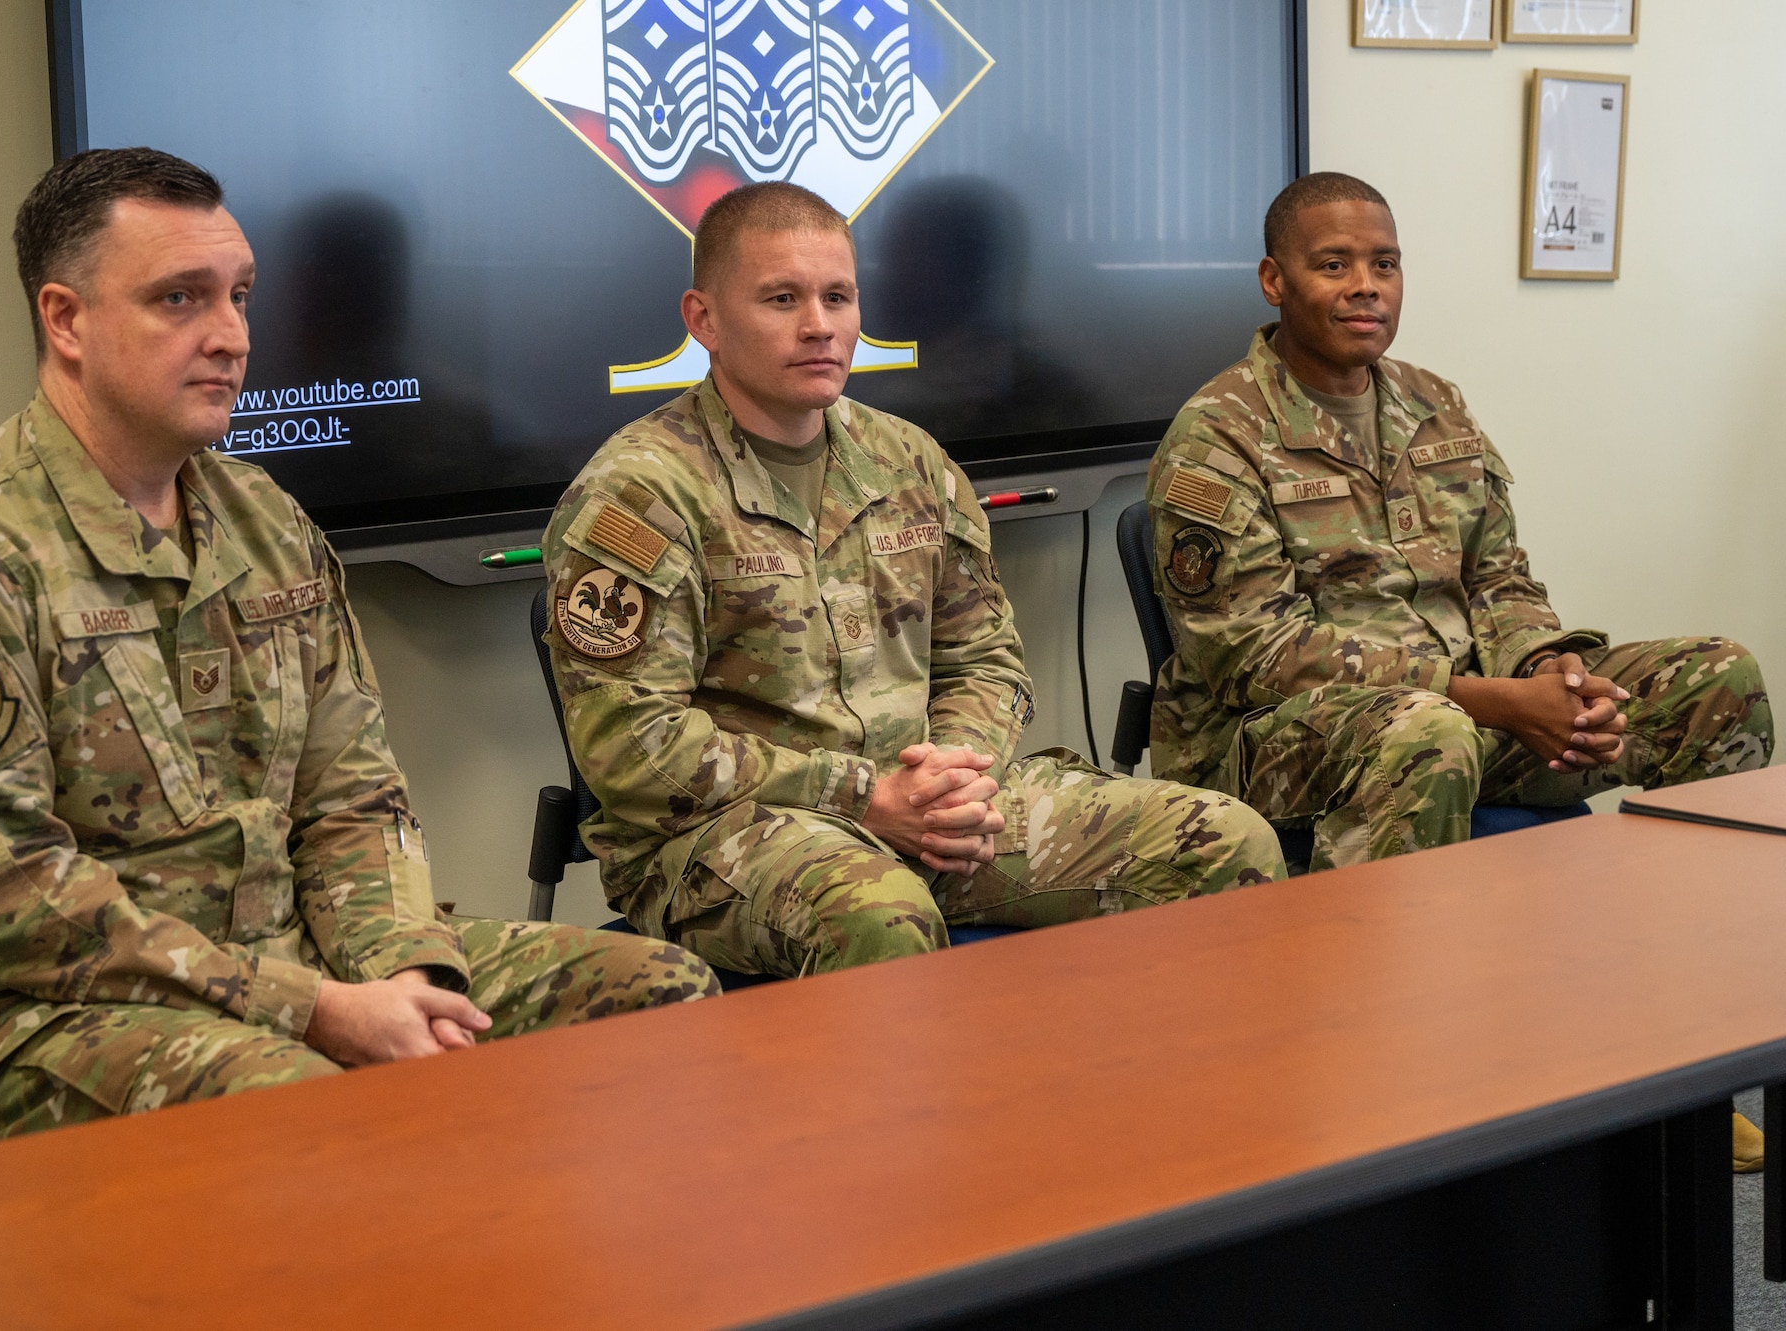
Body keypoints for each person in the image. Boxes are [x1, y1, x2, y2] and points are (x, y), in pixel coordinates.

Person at [0, 148, 717, 1159]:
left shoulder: (264, 521)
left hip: (283, 958)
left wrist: (406, 974)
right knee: (298, 1101)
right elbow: (12, 902)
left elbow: (353, 798)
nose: (231, 335)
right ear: (65, 320)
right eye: (179, 298)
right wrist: (313, 1009)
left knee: (659, 992)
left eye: (238, 296)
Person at [1147, 172, 1772, 1169]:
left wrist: (1556, 679)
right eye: (1333, 264)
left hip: (1470, 708)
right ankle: (1391, 1087)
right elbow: (1254, 654)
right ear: (1274, 280)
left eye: (1384, 263)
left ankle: (1683, 1060)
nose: (1365, 285)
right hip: (1266, 743)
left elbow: (1501, 580)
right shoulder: (1217, 434)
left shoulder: (1435, 406)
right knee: (1424, 731)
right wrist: (1487, 697)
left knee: (1714, 679)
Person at [542, 182, 1284, 980]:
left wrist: (951, 777)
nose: (819, 325)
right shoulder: (640, 495)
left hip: (927, 805)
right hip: (733, 837)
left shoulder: (910, 461)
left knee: (1224, 841)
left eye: (838, 297)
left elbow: (985, 661)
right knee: (882, 918)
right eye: (782, 299)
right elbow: (632, 746)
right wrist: (865, 797)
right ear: (705, 320)